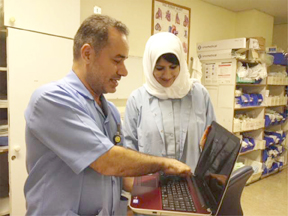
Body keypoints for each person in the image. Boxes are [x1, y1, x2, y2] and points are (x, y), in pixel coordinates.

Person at [24, 15, 191, 216]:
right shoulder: (50, 100)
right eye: (117, 61)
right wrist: (165, 163)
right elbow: (108, 161)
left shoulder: (109, 111)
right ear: (87, 54)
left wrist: (167, 194)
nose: (124, 71)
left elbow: (121, 177)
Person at [123, 32, 216, 173]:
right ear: (149, 66)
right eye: (159, 68)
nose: (167, 75)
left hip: (191, 182)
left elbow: (212, 142)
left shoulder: (199, 94)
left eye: (173, 67)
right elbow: (129, 150)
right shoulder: (137, 100)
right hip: (151, 185)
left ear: (182, 65)